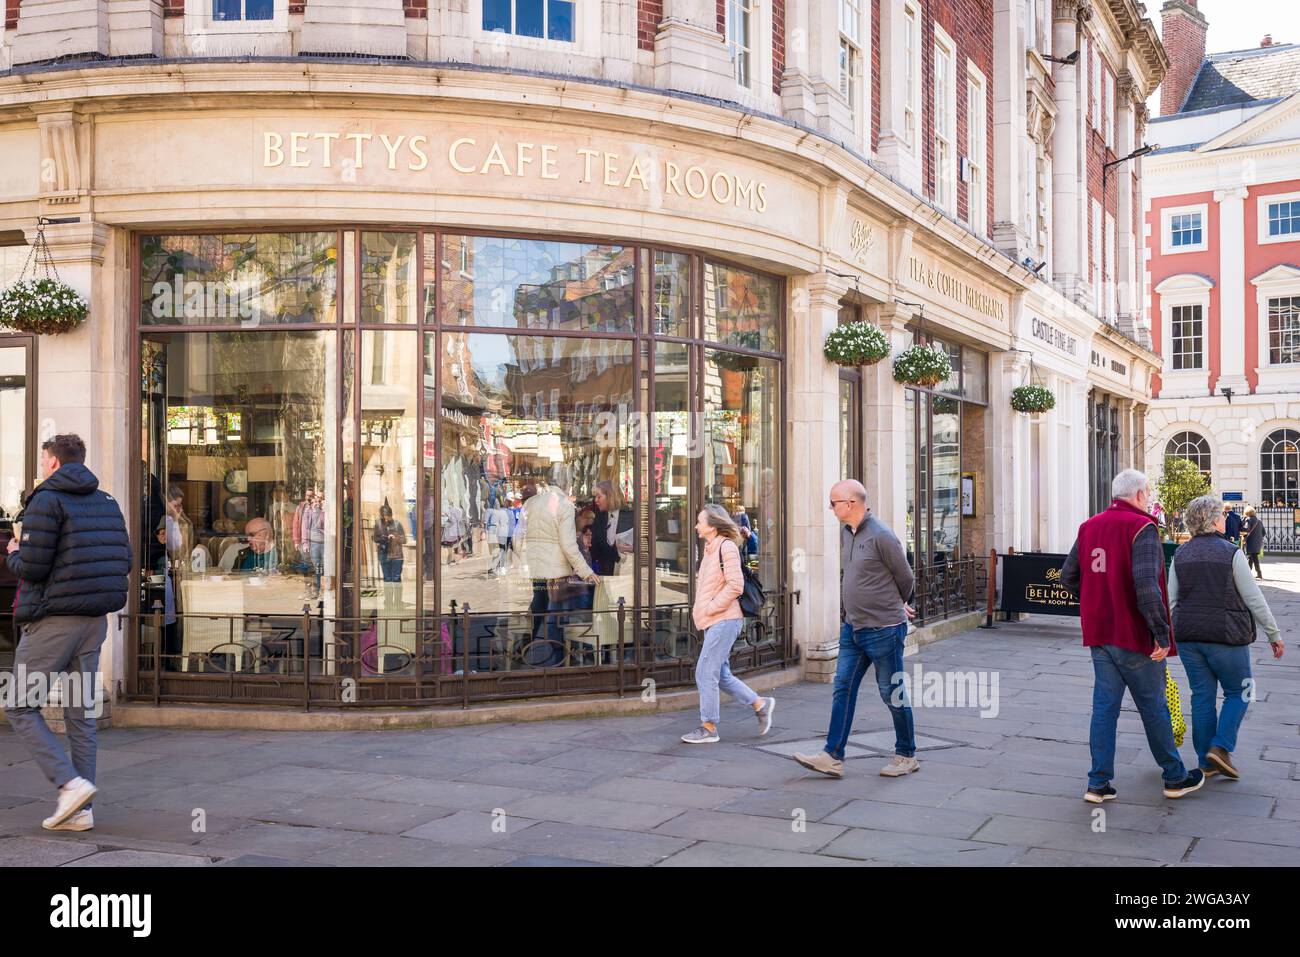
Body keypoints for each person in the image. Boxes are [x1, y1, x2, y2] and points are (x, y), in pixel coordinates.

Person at [3, 434, 130, 833]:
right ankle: (81, 812)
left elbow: (34, 568)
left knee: (20, 705)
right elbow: (123, 558)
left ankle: (70, 785)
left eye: (43, 460)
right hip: (95, 623)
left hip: (54, 622)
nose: (41, 468)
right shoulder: (107, 501)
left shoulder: (46, 500)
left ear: (54, 462)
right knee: (80, 715)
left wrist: (12, 555)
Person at [1059, 468, 1205, 803]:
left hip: (1100, 632)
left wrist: (1097, 597)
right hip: (1134, 633)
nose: (1150, 498)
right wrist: (1162, 634)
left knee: (1104, 708)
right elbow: (1147, 587)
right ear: (1139, 494)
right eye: (1149, 492)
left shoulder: (1089, 526)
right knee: (1153, 706)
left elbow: (1069, 576)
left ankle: (1097, 783)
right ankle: (1175, 776)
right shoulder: (1143, 527)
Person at [793, 480, 918, 779]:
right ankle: (832, 756)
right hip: (852, 627)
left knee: (891, 692)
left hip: (884, 630)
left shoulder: (882, 537)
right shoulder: (846, 533)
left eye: (834, 502)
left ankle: (906, 754)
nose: (830, 507)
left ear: (851, 503)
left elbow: (906, 577)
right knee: (842, 689)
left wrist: (900, 603)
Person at [1168, 495, 1284, 781]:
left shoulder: (1181, 554)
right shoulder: (1231, 553)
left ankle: (1205, 761)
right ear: (1211, 520)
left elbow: (1171, 600)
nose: (1223, 518)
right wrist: (1273, 633)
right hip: (1226, 636)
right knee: (1241, 690)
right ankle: (1221, 748)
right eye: (1219, 515)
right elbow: (1253, 597)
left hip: (1188, 636)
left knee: (1202, 696)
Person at [680, 504, 775, 744]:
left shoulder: (727, 547)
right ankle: (760, 704)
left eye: (700, 522)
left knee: (704, 671)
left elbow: (735, 585)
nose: (696, 526)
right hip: (715, 620)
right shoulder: (710, 548)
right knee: (720, 674)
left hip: (725, 618)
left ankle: (709, 726)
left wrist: (711, 607)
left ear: (712, 526)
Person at [522, 466, 597, 667]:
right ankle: (559, 661)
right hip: (556, 571)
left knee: (539, 607)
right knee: (556, 615)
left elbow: (518, 536)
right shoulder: (564, 506)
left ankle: (526, 647)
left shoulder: (531, 503)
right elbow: (568, 545)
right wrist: (586, 572)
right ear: (567, 484)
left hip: (536, 569)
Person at [372, 502, 407, 609]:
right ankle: (388, 602)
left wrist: (395, 537)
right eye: (384, 517)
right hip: (384, 554)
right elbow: (375, 538)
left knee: (396, 579)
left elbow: (404, 539)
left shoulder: (397, 524)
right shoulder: (378, 524)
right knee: (387, 579)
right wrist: (385, 538)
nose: (386, 519)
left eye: (388, 517)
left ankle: (397, 601)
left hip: (397, 555)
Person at [1241, 506, 1266, 579]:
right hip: (1258, 542)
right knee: (1252, 557)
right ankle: (1256, 573)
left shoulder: (1248, 520)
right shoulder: (1259, 521)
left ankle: (1254, 573)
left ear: (1246, 513)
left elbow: (1246, 530)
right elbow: (1264, 533)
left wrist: (1243, 522)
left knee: (1253, 557)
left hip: (1251, 542)